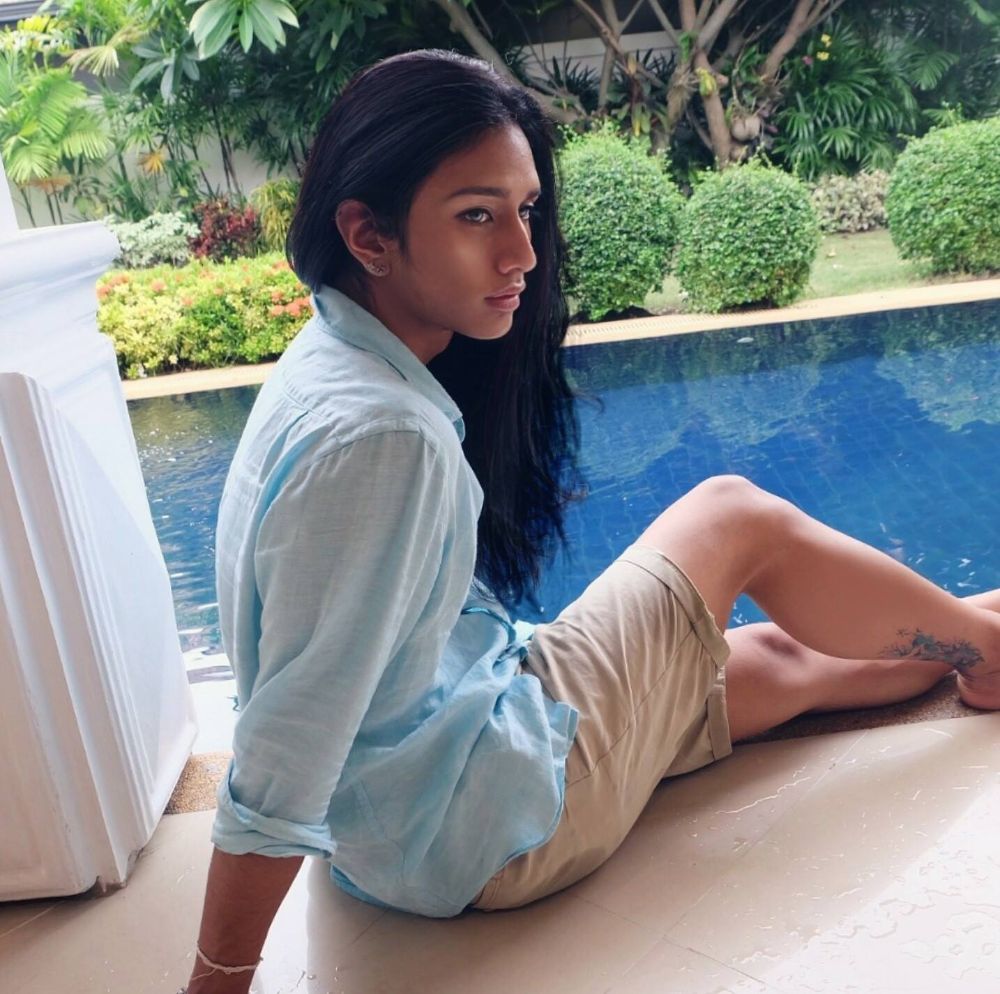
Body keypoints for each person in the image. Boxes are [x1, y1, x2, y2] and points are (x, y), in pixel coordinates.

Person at [181, 47, 1000, 994]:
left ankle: (974, 630)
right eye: (477, 215)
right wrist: (215, 980)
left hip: (418, 802)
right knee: (734, 516)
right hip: (484, 824)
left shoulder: (328, 355)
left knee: (780, 661)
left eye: (525, 211)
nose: (523, 255)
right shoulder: (383, 436)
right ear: (369, 233)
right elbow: (286, 748)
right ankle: (989, 651)